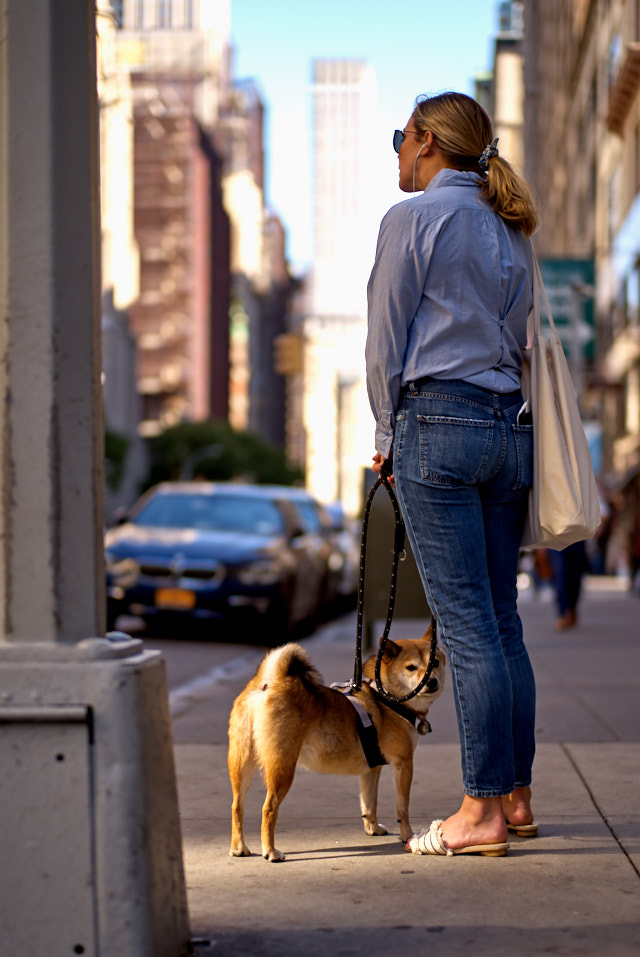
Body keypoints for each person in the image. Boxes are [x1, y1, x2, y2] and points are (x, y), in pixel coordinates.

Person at [366, 91, 539, 856]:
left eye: (400, 138)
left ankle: (480, 810)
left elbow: (385, 341)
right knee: (500, 622)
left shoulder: (412, 220)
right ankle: (517, 796)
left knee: (466, 628)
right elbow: (517, 337)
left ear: (428, 140)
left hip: (436, 424)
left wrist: (385, 434)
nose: (398, 152)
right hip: (508, 430)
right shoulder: (512, 229)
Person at [547, 541, 589, 629]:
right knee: (560, 573)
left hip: (577, 536)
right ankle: (562, 613)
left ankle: (572, 607)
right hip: (555, 537)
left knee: (575, 576)